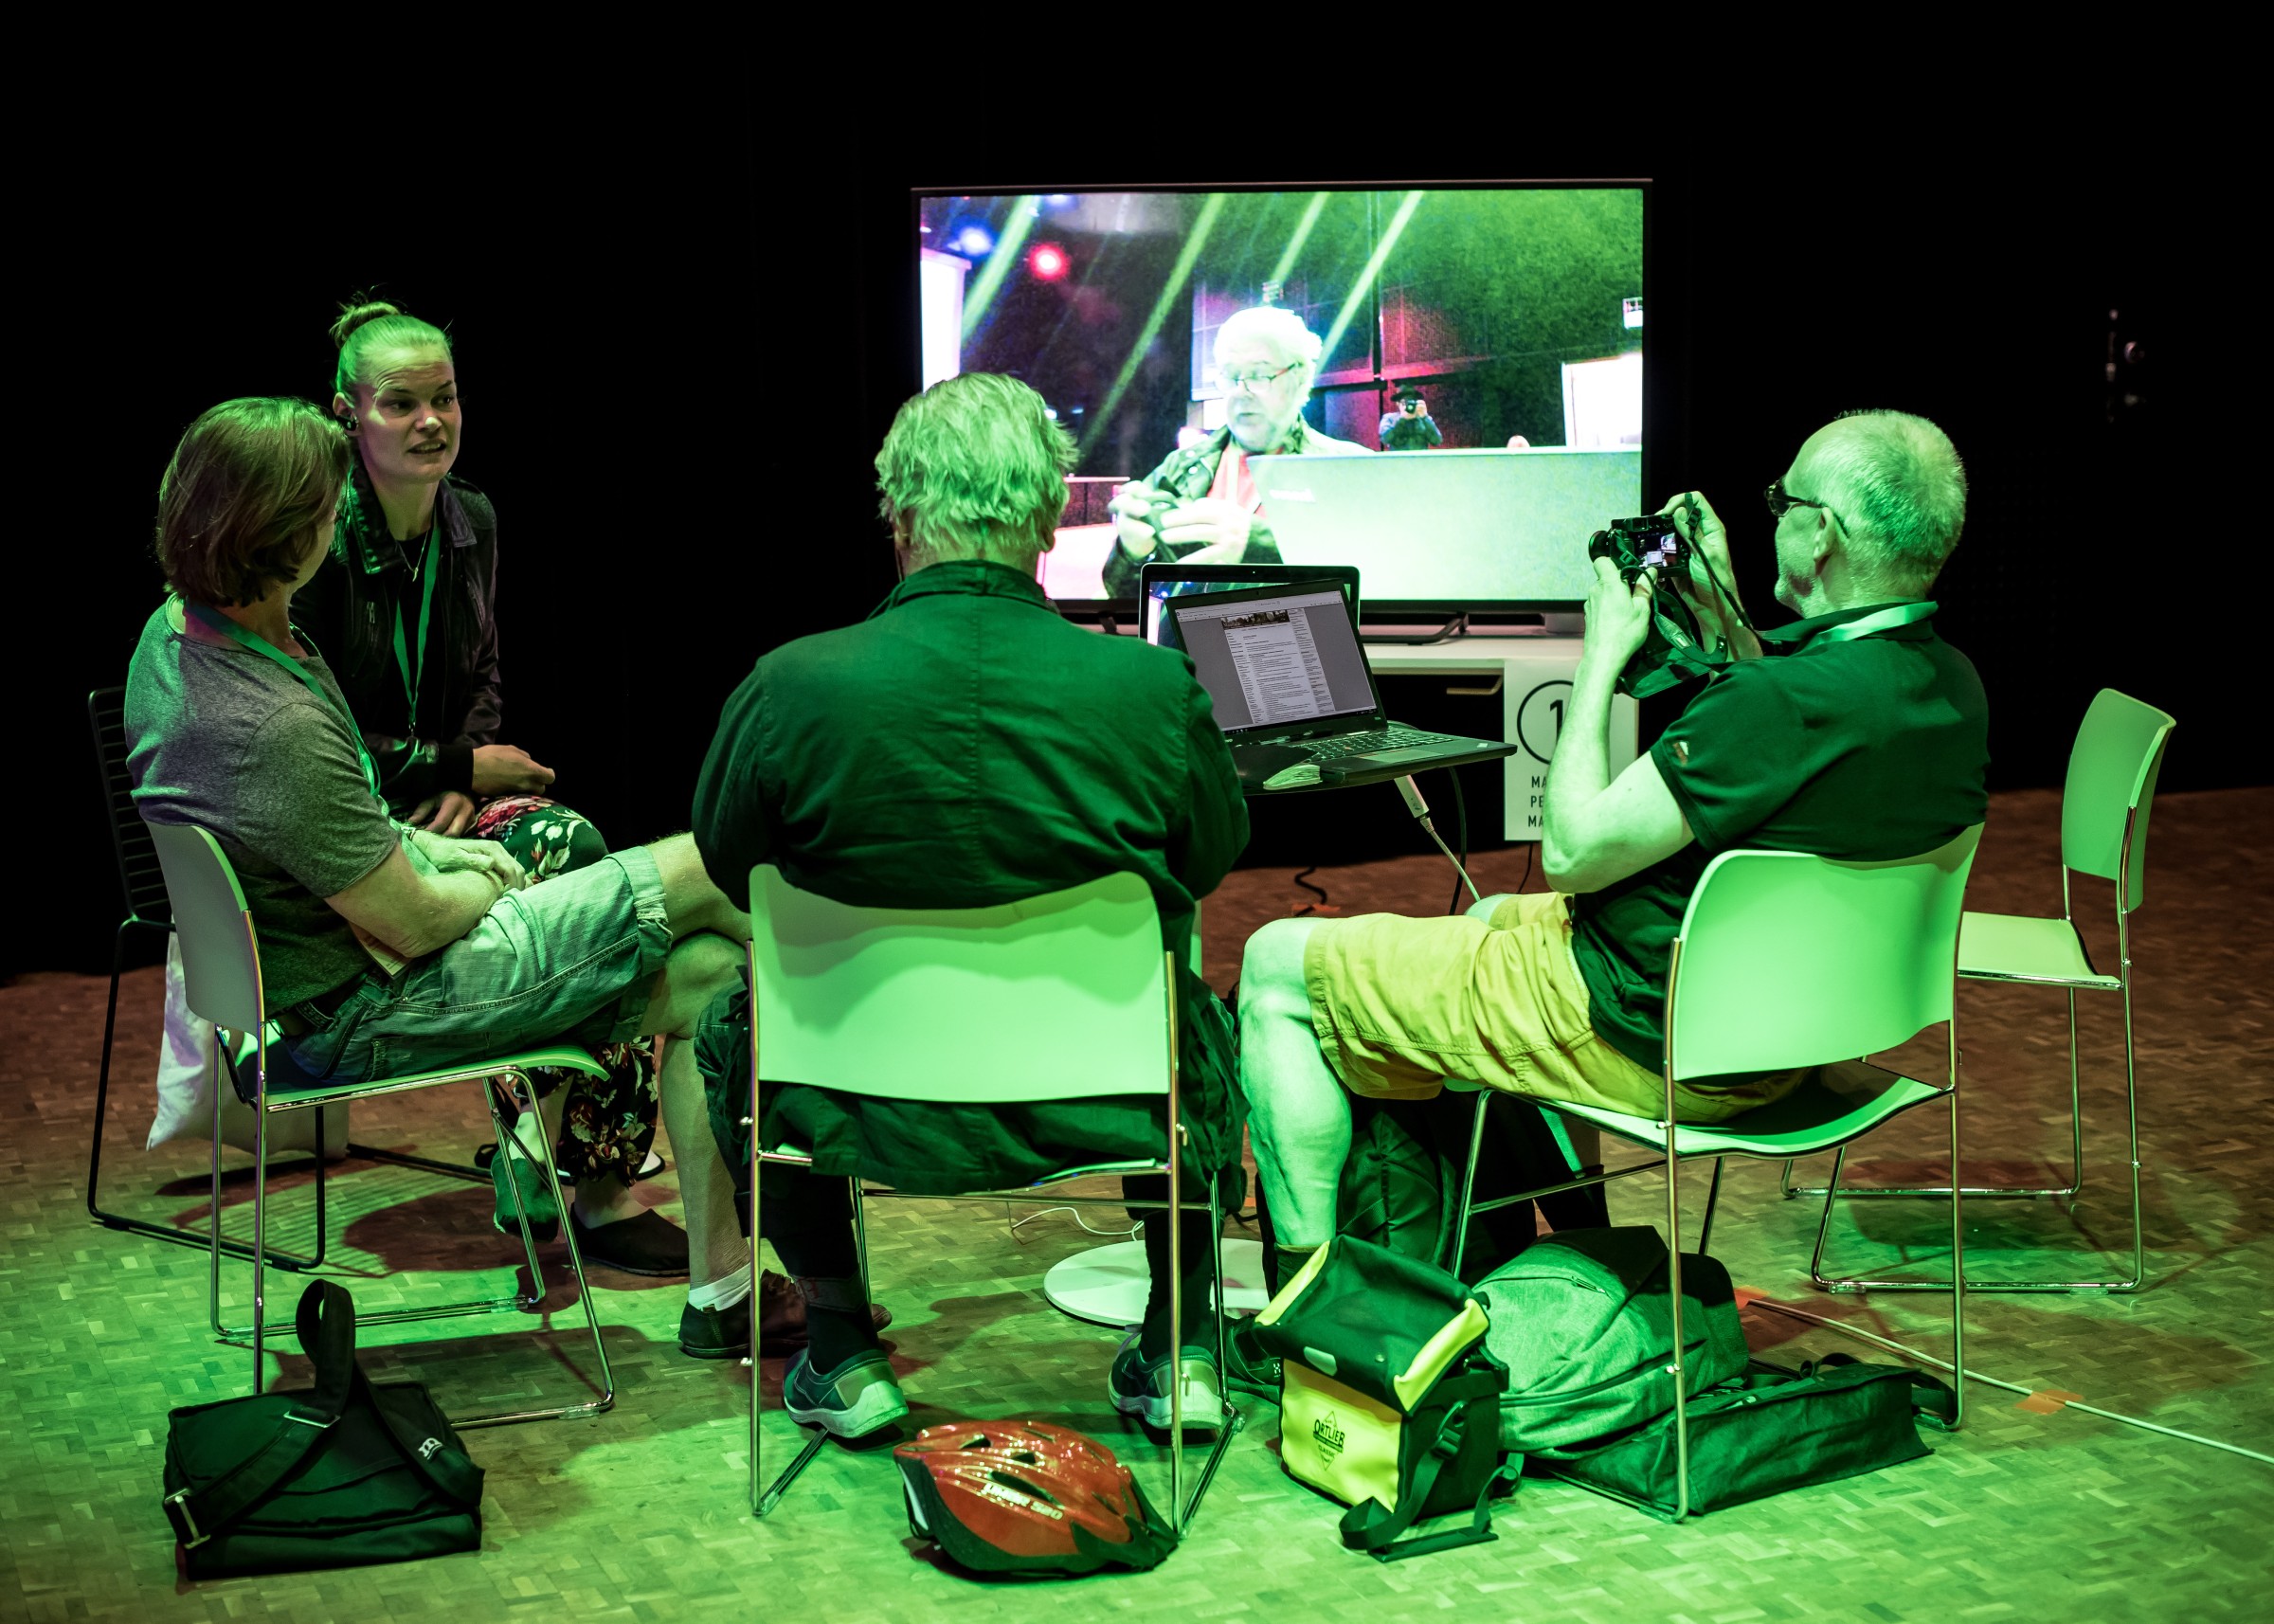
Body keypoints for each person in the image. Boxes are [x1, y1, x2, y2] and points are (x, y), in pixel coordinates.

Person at [1236, 410, 1988, 1287]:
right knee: (1486, 915)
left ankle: (1307, 1297)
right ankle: (1550, 1223)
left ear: (1820, 534)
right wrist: (1724, 609)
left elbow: (1572, 850)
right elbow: (1791, 729)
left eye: (1784, 499)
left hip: (1644, 1033)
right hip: (1787, 1042)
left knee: (1276, 964)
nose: (1772, 512)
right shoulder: (1950, 685)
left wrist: (1597, 655)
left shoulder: (1779, 706)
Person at [691, 371, 1249, 1440]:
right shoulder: (1153, 692)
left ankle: (844, 1350)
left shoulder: (787, 685)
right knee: (1195, 1024)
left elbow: (730, 863)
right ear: (1048, 517)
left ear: (898, 513)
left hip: (849, 1099)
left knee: (733, 1020)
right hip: (1104, 1100)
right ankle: (1181, 1351)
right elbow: (1213, 856)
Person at [125, 397, 751, 1317]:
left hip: (328, 976)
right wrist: (492, 874)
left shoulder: (175, 633)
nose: (342, 522)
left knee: (709, 972)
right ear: (287, 533)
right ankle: (856, 1127)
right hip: (363, 1009)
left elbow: (360, 831)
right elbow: (411, 919)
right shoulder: (269, 721)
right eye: (329, 509)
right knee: (710, 866)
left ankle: (725, 1293)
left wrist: (446, 860)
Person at [1100, 305, 1368, 599]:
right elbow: (1123, 598)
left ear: (1300, 376)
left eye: (1260, 375)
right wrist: (1134, 555)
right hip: (1184, 641)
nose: (1241, 391)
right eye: (1230, 376)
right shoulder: (1179, 466)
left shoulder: (1346, 469)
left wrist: (1258, 546)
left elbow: (1375, 587)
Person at [1378, 384, 1443, 450]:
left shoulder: (1423, 419)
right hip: (1399, 460)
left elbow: (1437, 441)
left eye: (1411, 401)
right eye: (1404, 402)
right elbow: (1385, 439)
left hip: (1420, 460)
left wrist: (1425, 418)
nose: (1408, 405)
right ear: (1398, 403)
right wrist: (1402, 420)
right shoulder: (1389, 419)